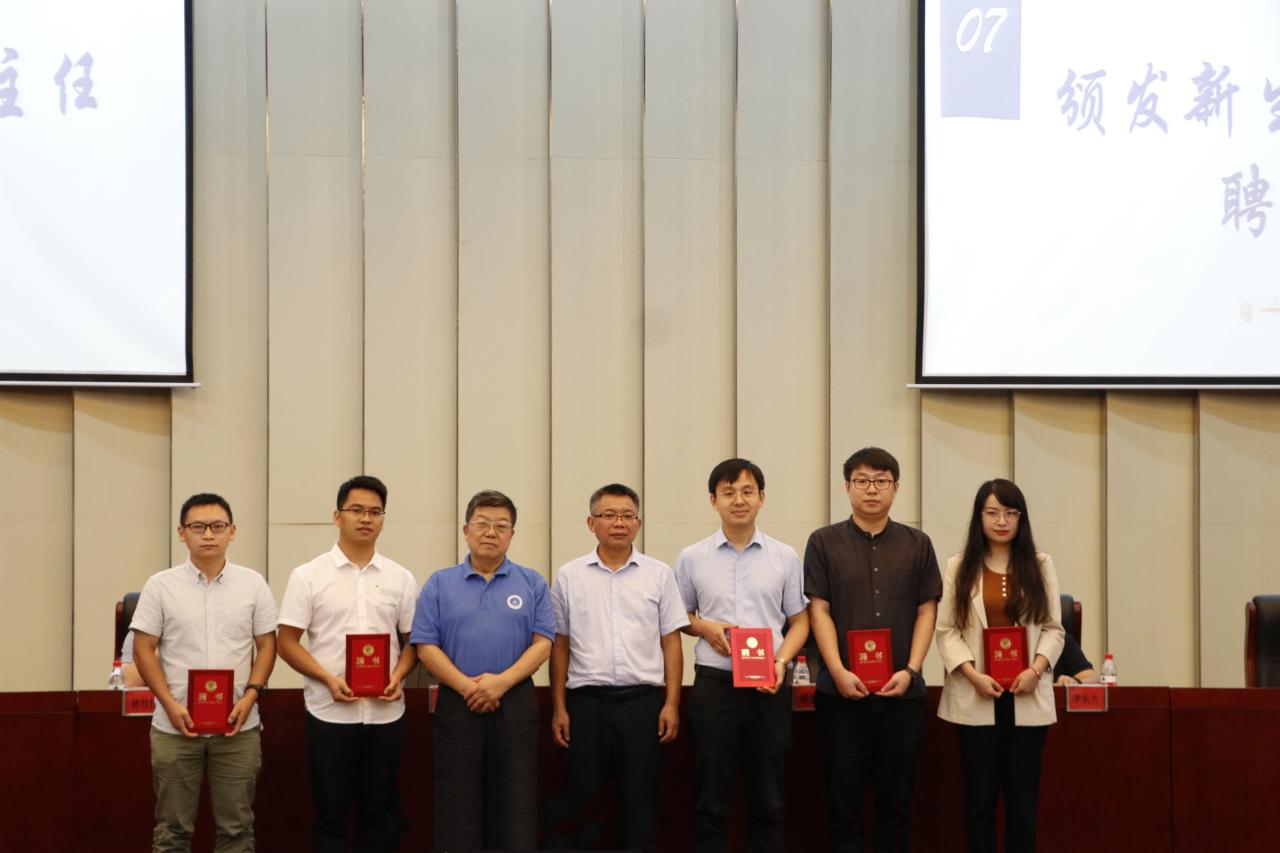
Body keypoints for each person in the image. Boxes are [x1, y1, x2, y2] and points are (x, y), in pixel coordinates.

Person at [804, 447, 942, 853]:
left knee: (896, 805)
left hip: (901, 695)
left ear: (896, 488)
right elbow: (818, 609)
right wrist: (836, 670)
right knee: (842, 804)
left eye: (881, 481)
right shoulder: (823, 542)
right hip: (841, 696)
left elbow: (927, 609)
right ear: (847, 487)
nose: (871, 489)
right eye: (862, 481)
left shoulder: (918, 544)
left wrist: (911, 669)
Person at [277, 475, 419, 853]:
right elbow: (286, 642)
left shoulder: (401, 578)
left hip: (385, 714)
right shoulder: (308, 575)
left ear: (383, 519)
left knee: (380, 817)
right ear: (337, 516)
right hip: (329, 713)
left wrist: (398, 675)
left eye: (375, 512)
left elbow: (415, 643)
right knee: (331, 817)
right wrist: (326, 678)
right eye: (356, 510)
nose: (366, 518)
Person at [674, 459, 809, 853]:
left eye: (747, 491)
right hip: (715, 686)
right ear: (713, 500)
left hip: (769, 685)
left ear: (762, 498)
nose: (739, 500)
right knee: (711, 796)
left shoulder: (784, 556)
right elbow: (679, 617)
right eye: (728, 492)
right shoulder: (692, 557)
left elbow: (800, 621)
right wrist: (705, 628)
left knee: (768, 796)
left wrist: (781, 662)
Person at [131, 493, 279, 852]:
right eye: (198, 527)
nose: (208, 535)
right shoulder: (160, 585)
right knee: (172, 831)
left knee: (237, 829)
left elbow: (267, 645)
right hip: (175, 725)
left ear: (232, 531)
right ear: (182, 533)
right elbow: (142, 649)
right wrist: (168, 703)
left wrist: (251, 695)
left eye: (217, 526)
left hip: (237, 726)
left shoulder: (253, 584)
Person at [546, 483, 688, 853]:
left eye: (627, 516)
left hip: (643, 705)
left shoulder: (659, 574)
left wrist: (672, 703)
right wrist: (559, 707)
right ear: (591, 522)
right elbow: (560, 644)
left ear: (638, 523)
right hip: (585, 704)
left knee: (641, 802)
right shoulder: (569, 576)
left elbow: (671, 642)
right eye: (609, 515)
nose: (619, 523)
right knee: (583, 801)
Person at [412, 489, 554, 852]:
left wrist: (500, 683)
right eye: (482, 523)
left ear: (512, 534)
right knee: (457, 802)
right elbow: (425, 646)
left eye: (501, 525)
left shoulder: (532, 582)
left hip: (515, 701)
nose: (491, 532)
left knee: (516, 802)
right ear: (466, 530)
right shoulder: (440, 583)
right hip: (457, 701)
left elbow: (543, 644)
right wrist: (467, 687)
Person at [935, 479, 1065, 853]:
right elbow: (947, 631)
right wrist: (972, 674)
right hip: (977, 695)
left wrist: (1035, 670)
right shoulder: (959, 566)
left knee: (1023, 807)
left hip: (1027, 695)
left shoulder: (1040, 565)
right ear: (979, 517)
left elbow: (1054, 628)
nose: (1002, 521)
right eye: (992, 513)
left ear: (1021, 518)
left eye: (1010, 513)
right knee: (979, 805)